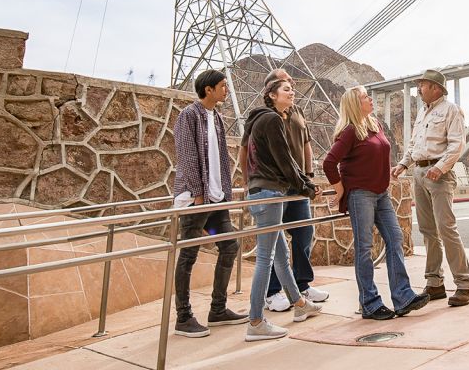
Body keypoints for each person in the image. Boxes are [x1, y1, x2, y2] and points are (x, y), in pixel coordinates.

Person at [323, 86, 430, 320]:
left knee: (395, 239)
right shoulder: (350, 131)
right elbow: (329, 163)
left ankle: (402, 298)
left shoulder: (375, 125)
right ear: (354, 104)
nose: (369, 99)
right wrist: (340, 190)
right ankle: (370, 303)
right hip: (360, 194)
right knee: (364, 249)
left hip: (381, 194)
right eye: (364, 97)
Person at [238, 68, 329, 313]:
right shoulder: (270, 119)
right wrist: (306, 186)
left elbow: (297, 153)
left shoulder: (285, 115)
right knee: (266, 258)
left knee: (285, 249)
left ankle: (299, 301)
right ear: (271, 92)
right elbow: (284, 160)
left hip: (278, 188)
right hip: (272, 190)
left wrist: (307, 179)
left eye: (291, 84)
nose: (292, 89)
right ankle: (257, 318)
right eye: (286, 87)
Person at [172, 69, 248, 337]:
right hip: (197, 201)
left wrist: (221, 194)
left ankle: (218, 309)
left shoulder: (216, 117)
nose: (226, 90)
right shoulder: (188, 115)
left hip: (216, 201)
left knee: (228, 245)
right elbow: (187, 155)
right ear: (208, 90)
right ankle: (183, 317)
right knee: (189, 254)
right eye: (222, 86)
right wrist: (197, 194)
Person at [391, 69, 469, 307]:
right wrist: (403, 164)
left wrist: (440, 167)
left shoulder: (451, 110)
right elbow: (414, 144)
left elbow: (457, 144)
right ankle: (435, 282)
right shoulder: (422, 113)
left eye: (423, 85)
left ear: (436, 88)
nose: (419, 89)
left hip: (439, 176)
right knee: (428, 231)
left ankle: (465, 285)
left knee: (446, 229)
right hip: (419, 173)